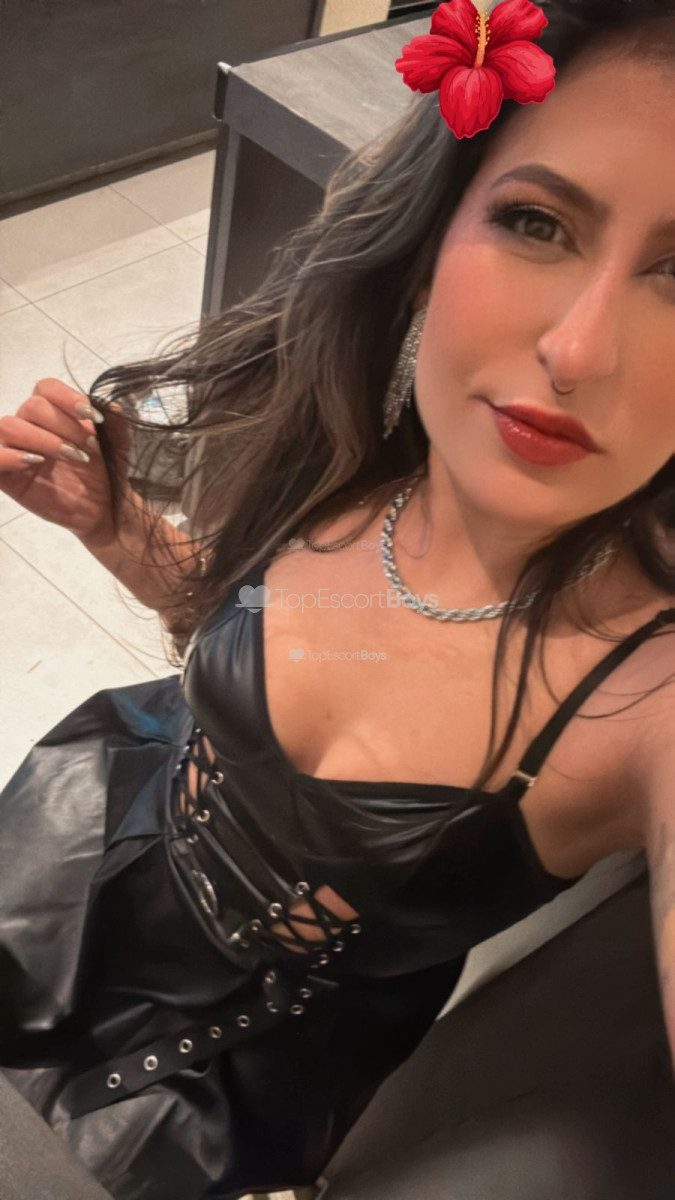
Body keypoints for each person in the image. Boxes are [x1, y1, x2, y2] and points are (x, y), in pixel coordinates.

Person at [0, 1, 674, 1197]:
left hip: (217, 1092)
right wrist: (114, 526)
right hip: (79, 839)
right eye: (536, 221)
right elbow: (219, 622)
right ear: (429, 243)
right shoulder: (351, 445)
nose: (577, 348)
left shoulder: (646, 697)